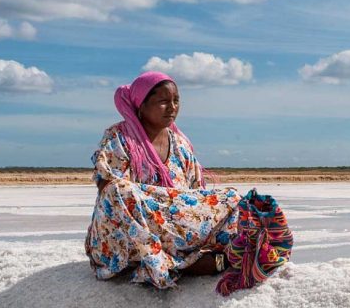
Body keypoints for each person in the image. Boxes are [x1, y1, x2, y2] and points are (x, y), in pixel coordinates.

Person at [85, 71, 244, 288]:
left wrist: (170, 209)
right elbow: (108, 192)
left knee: (232, 198)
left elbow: (194, 195)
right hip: (126, 234)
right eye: (163, 102)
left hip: (171, 229)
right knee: (120, 191)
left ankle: (183, 258)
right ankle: (174, 262)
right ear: (141, 105)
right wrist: (154, 205)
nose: (172, 108)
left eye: (176, 101)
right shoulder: (119, 138)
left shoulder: (180, 144)